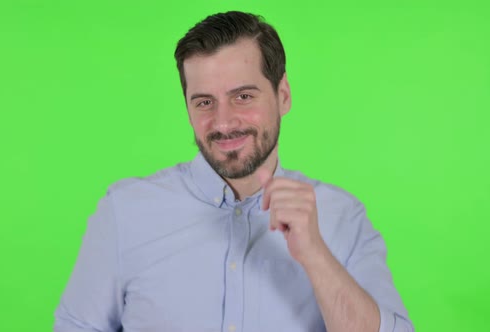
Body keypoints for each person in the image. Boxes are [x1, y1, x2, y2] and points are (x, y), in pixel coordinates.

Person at [54, 11, 413, 332]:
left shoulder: (342, 218)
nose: (223, 123)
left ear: (283, 94)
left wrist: (316, 255)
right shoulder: (124, 212)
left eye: (243, 96)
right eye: (205, 102)